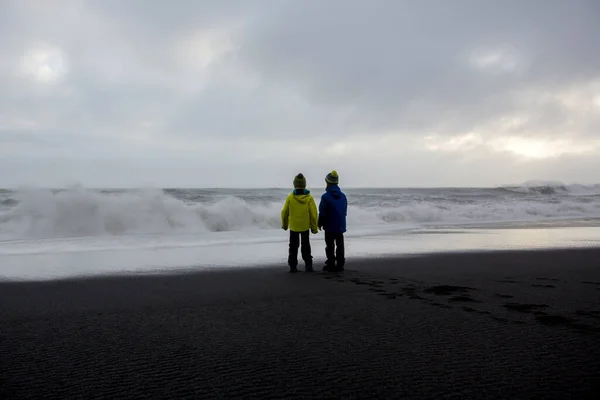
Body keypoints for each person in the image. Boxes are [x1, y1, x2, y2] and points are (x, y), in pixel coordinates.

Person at [281, 173, 319, 273]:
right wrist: (314, 228)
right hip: (305, 226)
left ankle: (293, 267)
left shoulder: (290, 197)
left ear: (294, 184)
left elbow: (284, 212)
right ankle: (308, 266)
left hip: (293, 226)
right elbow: (314, 214)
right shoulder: (309, 198)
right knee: (306, 245)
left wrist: (285, 225)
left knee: (293, 247)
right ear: (304, 185)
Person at [318, 170, 348, 272]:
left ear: (328, 183)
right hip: (340, 224)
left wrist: (320, 223)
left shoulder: (325, 197)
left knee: (330, 245)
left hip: (329, 226)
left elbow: (322, 212)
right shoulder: (343, 196)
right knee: (340, 245)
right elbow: (344, 211)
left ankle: (331, 263)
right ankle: (340, 264)